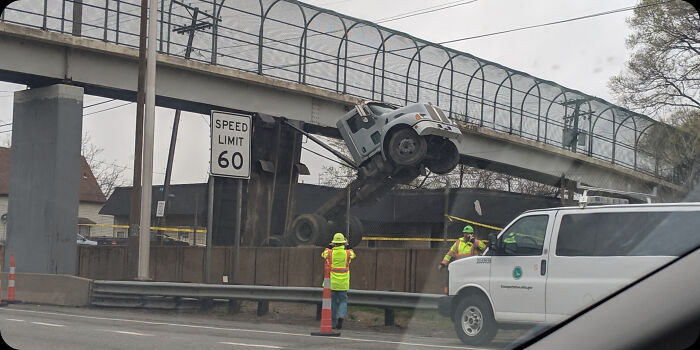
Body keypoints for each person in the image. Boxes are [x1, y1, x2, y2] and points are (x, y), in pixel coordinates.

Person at [321, 232, 356, 330]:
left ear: (334, 243)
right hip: (343, 283)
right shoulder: (348, 253)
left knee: (332, 304)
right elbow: (352, 253)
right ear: (344, 243)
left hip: (331, 283)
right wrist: (347, 245)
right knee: (343, 301)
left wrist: (330, 245)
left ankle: (332, 323)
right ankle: (341, 317)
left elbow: (323, 253)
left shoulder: (329, 253)